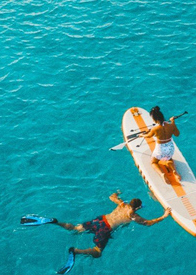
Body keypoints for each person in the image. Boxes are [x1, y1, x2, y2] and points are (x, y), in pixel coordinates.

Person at [21, 191, 171, 262]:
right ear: (137, 208)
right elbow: (148, 223)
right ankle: (76, 251)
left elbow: (111, 196)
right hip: (106, 228)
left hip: (100, 220)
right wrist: (164, 216)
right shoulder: (134, 216)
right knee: (98, 252)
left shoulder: (122, 204)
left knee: (75, 229)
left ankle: (55, 222)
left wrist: (117, 193)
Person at [139, 106, 180, 184]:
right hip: (170, 148)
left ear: (154, 119)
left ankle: (162, 174)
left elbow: (148, 136)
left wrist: (142, 135)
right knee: (169, 159)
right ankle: (175, 171)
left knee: (154, 162)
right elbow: (177, 134)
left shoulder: (155, 129)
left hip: (160, 149)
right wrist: (173, 123)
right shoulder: (171, 125)